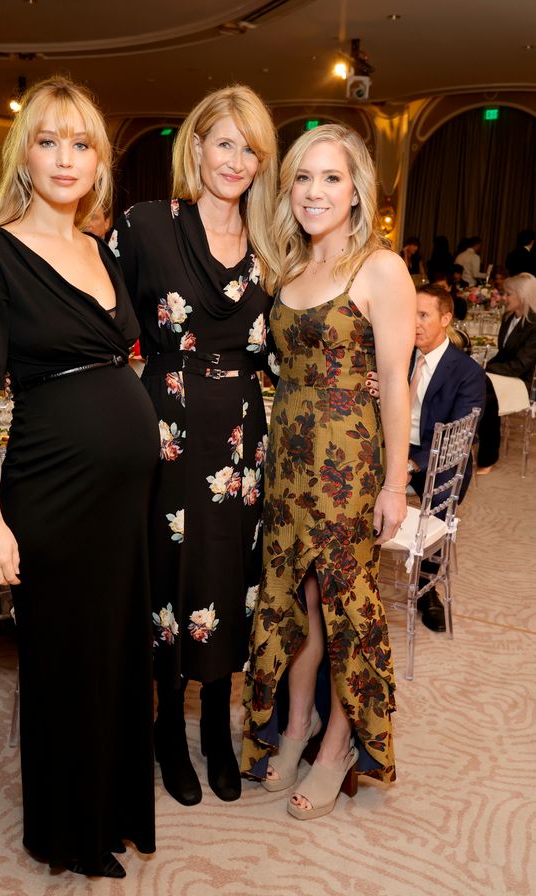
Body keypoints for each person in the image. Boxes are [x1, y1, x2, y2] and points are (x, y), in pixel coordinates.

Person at [0, 77, 158, 880]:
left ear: (100, 159)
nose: (66, 157)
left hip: (122, 499)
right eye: (49, 140)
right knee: (64, 658)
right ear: (23, 154)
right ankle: (64, 828)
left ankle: (108, 807)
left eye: (82, 142)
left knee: (115, 653)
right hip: (51, 489)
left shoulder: (99, 249)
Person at [241, 123, 415, 820]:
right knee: (296, 601)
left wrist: (396, 482)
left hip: (348, 468)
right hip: (289, 461)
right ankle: (298, 722)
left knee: (344, 607)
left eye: (331, 178)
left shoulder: (381, 268)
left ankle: (339, 744)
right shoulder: (288, 266)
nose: (315, 191)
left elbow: (396, 384)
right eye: (303, 178)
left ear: (356, 191)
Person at [111, 85, 278, 807]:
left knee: (229, 573)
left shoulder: (274, 244)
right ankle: (166, 731)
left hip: (241, 434)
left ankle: (215, 724)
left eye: (249, 147)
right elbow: (98, 322)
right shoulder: (147, 225)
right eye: (224, 142)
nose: (235, 160)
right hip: (165, 427)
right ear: (197, 145)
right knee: (170, 576)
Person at [366, 284, 486, 631]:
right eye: (410, 314)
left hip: (435, 461)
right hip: (391, 451)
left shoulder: (467, 372)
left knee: (442, 495)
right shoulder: (396, 357)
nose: (414, 323)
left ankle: (427, 588)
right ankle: (360, 571)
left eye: (424, 315)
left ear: (446, 318)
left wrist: (411, 463)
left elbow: (461, 435)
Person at [477, 272, 536, 473]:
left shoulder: (534, 326)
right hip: (502, 374)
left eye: (509, 294)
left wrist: (485, 369)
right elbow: (502, 354)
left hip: (520, 381)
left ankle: (488, 457)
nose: (504, 298)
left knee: (486, 398)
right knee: (471, 383)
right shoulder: (509, 317)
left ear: (522, 296)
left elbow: (520, 365)